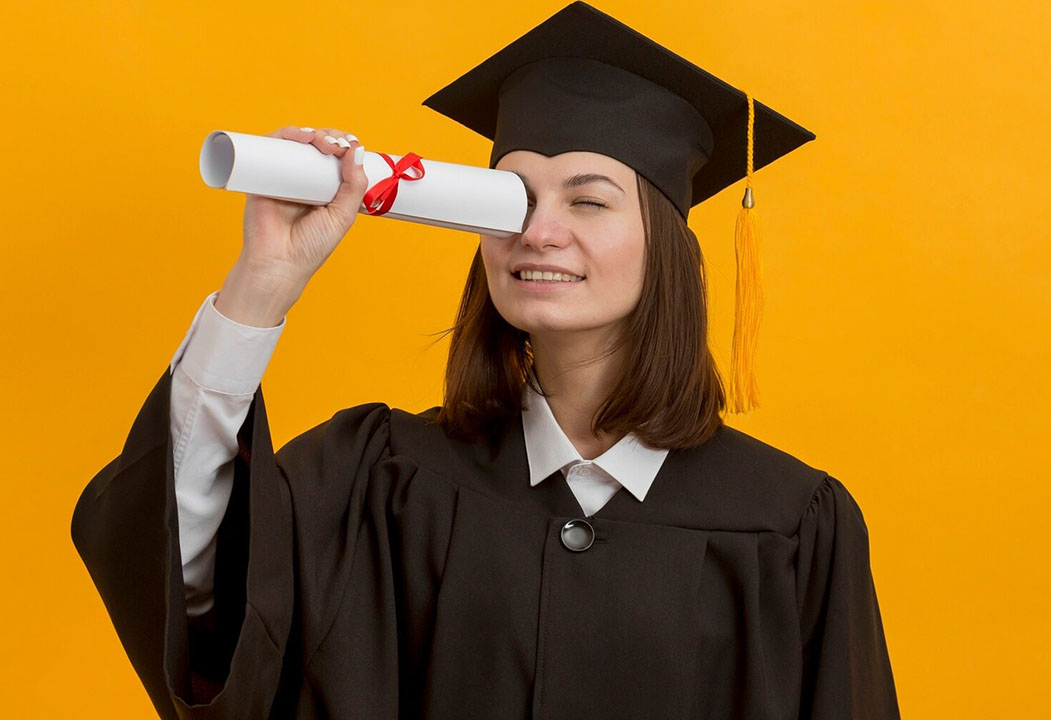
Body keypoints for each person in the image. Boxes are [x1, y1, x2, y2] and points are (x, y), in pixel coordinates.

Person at [71, 2, 901, 719]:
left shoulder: (793, 526)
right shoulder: (379, 481)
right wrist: (261, 287)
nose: (539, 231)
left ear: (669, 246)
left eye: (588, 199)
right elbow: (196, 604)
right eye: (515, 197)